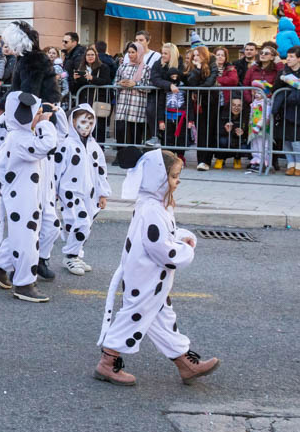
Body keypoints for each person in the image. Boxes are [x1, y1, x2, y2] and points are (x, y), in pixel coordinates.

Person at [93, 149, 220, 386]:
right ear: (157, 179)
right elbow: (162, 249)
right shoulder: (152, 209)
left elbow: (163, 236)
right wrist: (185, 251)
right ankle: (107, 363)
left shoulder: (156, 205)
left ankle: (185, 364)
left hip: (152, 278)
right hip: (146, 277)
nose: (178, 180)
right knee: (134, 316)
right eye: (173, 176)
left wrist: (181, 236)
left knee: (163, 319)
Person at [0, 91, 58, 304]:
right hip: (21, 198)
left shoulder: (19, 135)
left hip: (25, 196)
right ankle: (24, 284)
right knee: (26, 239)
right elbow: (48, 146)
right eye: (37, 113)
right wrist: (45, 124)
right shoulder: (21, 138)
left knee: (20, 234)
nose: (40, 117)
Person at [53, 104, 109, 276]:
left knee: (82, 224)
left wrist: (103, 193)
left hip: (89, 192)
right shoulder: (67, 145)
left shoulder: (94, 147)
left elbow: (101, 171)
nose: (87, 126)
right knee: (81, 222)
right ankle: (70, 256)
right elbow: (57, 169)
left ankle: (75, 254)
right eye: (83, 121)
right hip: (70, 191)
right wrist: (53, 190)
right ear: (73, 121)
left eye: (91, 122)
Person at [111, 42, 151, 170]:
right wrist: (120, 83)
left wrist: (136, 84)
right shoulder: (123, 67)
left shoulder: (145, 68)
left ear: (139, 53)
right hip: (123, 103)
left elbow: (149, 86)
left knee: (135, 132)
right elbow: (115, 83)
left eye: (133, 52)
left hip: (137, 105)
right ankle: (120, 155)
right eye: (129, 52)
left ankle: (134, 157)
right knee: (121, 130)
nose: (131, 54)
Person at [276, 46, 300, 175]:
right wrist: (283, 81)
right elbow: (275, 88)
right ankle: (290, 163)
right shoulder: (283, 72)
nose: (288, 59)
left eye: (292, 56)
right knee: (286, 138)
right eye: (288, 56)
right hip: (284, 109)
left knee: (297, 139)